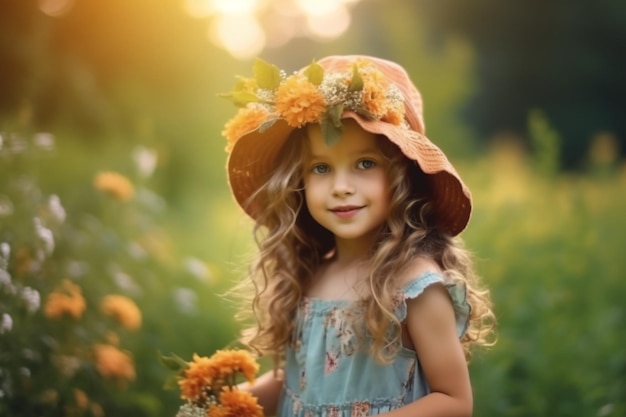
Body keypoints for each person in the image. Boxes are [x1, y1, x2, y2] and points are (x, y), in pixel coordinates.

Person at [221, 55, 495, 417]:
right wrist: (227, 403)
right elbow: (297, 384)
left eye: (365, 163)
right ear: (298, 182)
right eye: (321, 168)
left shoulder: (413, 284)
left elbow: (454, 401)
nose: (341, 187)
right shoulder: (311, 273)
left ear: (403, 175)